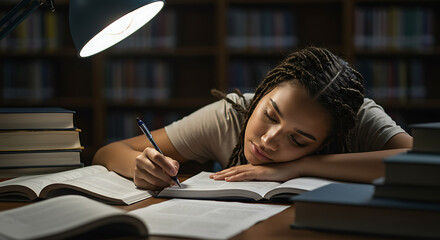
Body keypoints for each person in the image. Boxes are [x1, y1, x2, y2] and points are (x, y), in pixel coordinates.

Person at [93, 47, 413, 191]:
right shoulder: (233, 115)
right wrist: (142, 166)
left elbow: (424, 162)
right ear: (261, 94)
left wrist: (298, 167)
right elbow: (109, 152)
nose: (269, 139)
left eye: (298, 140)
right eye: (270, 115)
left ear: (328, 140)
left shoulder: (357, 119)